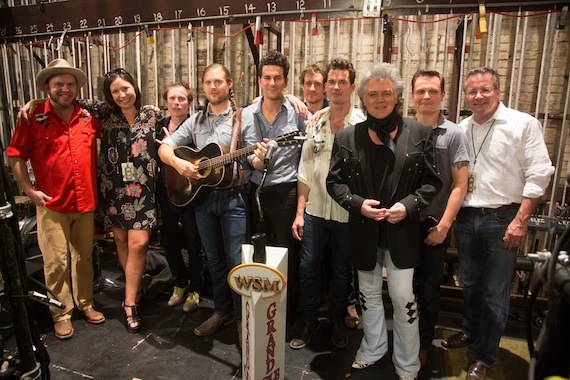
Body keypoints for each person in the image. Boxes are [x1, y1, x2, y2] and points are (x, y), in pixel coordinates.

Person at [326, 63, 441, 380]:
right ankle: (373, 347)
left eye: (386, 93)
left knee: (404, 297)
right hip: (365, 230)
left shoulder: (419, 133)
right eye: (373, 93)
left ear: (397, 96)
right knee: (368, 293)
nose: (379, 99)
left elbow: (432, 183)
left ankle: (407, 363)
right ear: (363, 97)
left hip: (402, 230)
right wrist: (359, 205)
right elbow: (334, 184)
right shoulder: (347, 137)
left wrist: (408, 206)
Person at [441, 67, 554, 380]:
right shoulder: (462, 129)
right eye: (472, 91)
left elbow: (540, 173)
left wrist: (521, 219)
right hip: (466, 217)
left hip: (503, 218)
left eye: (485, 90)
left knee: (495, 292)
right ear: (465, 96)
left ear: (498, 92)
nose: (478, 97)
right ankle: (469, 331)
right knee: (471, 284)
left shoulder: (522, 125)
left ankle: (486, 355)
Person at [158, 64, 259, 344]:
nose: (213, 87)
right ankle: (222, 311)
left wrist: (261, 158)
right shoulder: (195, 121)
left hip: (233, 200)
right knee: (214, 261)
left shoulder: (243, 118)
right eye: (207, 82)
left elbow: (252, 158)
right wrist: (179, 163)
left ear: (229, 84)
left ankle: (241, 319)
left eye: (218, 82)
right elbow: (164, 148)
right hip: (202, 201)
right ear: (203, 87)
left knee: (237, 262)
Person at [7, 58, 105, 340]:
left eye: (70, 84)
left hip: (85, 202)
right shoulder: (32, 117)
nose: (65, 89)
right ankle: (61, 313)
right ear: (47, 87)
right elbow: (15, 154)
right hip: (51, 204)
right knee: (56, 263)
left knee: (84, 258)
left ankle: (85, 303)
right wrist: (28, 189)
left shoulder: (88, 117)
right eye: (58, 84)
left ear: (77, 88)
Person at [79, 68, 163, 333]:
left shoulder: (152, 114)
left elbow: (179, 122)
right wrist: (37, 102)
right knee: (122, 242)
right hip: (114, 186)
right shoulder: (104, 113)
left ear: (134, 87)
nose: (121, 94)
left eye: (125, 88)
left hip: (144, 189)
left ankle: (129, 304)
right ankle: (134, 291)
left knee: (139, 243)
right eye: (115, 91)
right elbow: (68, 98)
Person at [290, 58, 365, 350]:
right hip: (315, 211)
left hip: (347, 215)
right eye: (330, 82)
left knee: (342, 271)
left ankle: (335, 320)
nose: (335, 87)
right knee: (308, 267)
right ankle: (309, 322)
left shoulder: (362, 125)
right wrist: (299, 212)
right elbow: (304, 171)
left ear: (352, 86)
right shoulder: (315, 123)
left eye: (341, 82)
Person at [410, 70, 469, 366]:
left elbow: (461, 185)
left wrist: (445, 226)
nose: (426, 96)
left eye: (433, 91)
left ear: (442, 96)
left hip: (435, 226)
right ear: (412, 96)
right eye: (421, 91)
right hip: (404, 225)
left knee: (429, 291)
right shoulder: (404, 130)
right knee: (403, 289)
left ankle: (423, 344)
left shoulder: (455, 134)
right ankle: (405, 342)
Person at [245, 50, 307, 325]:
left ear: (285, 82)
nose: (272, 83)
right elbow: (243, 153)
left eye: (277, 78)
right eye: (267, 78)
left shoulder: (297, 113)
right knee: (258, 253)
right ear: (259, 81)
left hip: (286, 192)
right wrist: (256, 161)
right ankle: (262, 313)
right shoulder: (246, 114)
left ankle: (285, 316)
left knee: (286, 256)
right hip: (255, 192)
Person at [155, 82, 203, 312]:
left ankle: (196, 288)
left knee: (194, 244)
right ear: (166, 102)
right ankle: (180, 283)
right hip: (165, 193)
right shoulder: (158, 128)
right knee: (170, 242)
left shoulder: (196, 127)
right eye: (172, 98)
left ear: (189, 103)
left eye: (182, 99)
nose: (177, 102)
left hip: (190, 194)